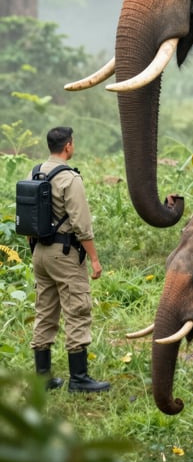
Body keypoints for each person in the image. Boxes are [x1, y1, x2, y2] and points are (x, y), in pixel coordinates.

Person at [29, 126, 110, 393]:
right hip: (64, 254)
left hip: (39, 252)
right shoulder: (70, 179)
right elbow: (81, 224)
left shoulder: (35, 171)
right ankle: (79, 379)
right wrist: (95, 259)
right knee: (77, 309)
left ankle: (43, 379)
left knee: (45, 311)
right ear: (68, 146)